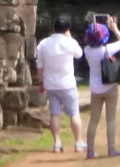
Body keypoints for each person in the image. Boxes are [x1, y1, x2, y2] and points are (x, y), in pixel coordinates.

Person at [35, 16, 84, 153]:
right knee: (74, 113)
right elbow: (79, 54)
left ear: (54, 27)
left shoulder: (43, 44)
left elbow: (40, 66)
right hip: (67, 83)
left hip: (50, 84)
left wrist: (41, 82)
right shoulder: (69, 42)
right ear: (67, 29)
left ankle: (57, 143)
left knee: (54, 114)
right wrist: (71, 38)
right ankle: (78, 142)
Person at [82, 14, 120, 157]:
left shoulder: (87, 51)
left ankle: (90, 150)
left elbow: (92, 38)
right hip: (110, 87)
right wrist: (115, 28)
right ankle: (111, 148)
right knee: (111, 118)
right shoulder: (107, 50)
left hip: (95, 89)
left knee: (93, 120)